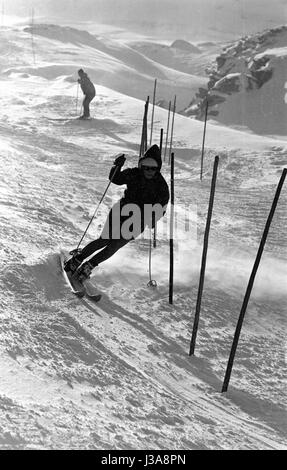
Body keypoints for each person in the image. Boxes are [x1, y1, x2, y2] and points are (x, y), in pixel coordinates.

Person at [64, 144, 170, 282]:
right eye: (146, 167)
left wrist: (154, 217)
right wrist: (117, 166)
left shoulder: (161, 185)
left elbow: (162, 206)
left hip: (138, 220)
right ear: (141, 166)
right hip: (122, 210)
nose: (150, 171)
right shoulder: (134, 174)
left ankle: (89, 266)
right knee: (105, 239)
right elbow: (116, 178)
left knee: (115, 245)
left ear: (158, 168)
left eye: (153, 168)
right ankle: (76, 260)